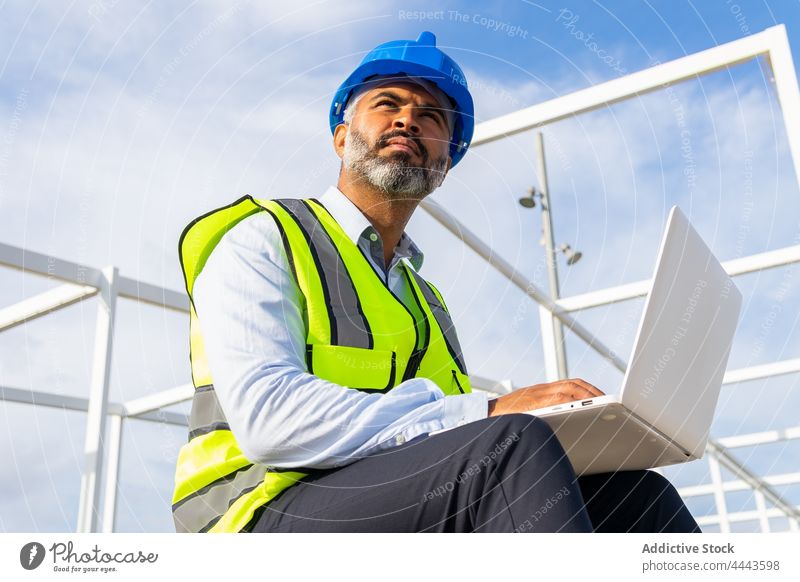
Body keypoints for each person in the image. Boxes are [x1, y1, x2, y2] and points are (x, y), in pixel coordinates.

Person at [171, 31, 700, 533]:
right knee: (511, 444)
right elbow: (269, 421)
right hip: (257, 511)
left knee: (637, 496)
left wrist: (578, 428)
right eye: (387, 105)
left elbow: (447, 434)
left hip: (385, 496)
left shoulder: (426, 305)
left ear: (445, 163)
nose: (407, 120)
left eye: (429, 117)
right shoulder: (265, 238)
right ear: (340, 137)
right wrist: (493, 409)